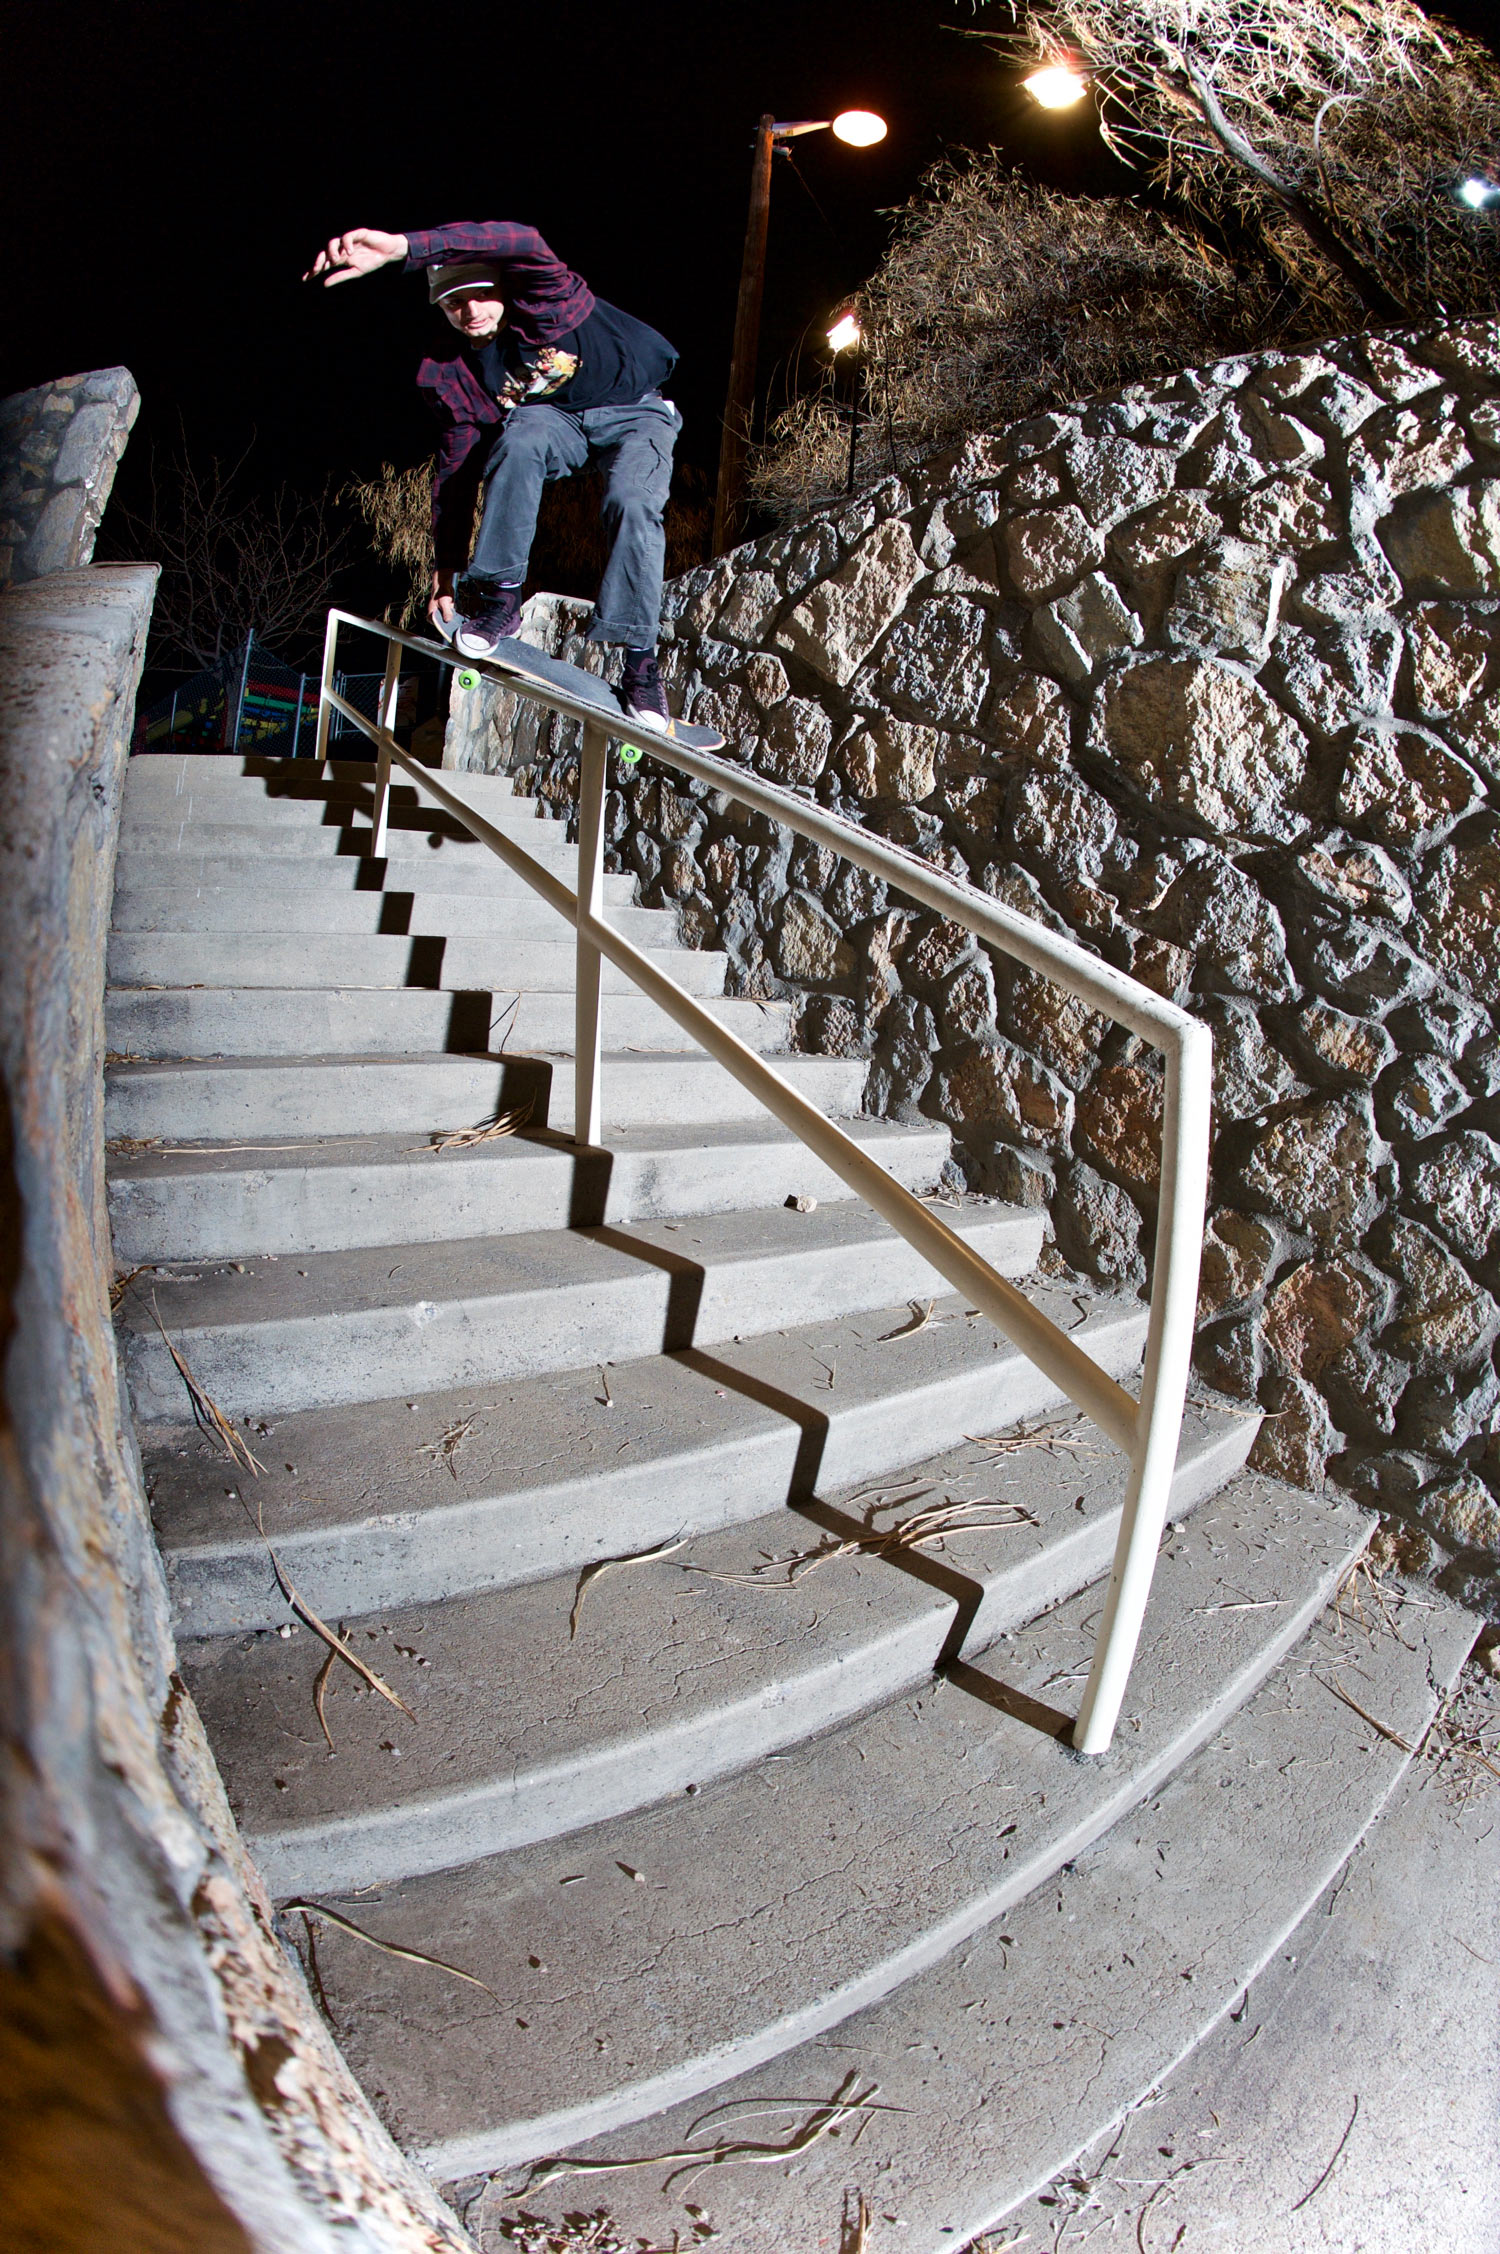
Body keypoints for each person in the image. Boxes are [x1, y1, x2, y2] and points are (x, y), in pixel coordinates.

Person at [304, 220, 681, 724]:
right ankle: (501, 601)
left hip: (634, 411)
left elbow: (522, 239)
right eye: (455, 303)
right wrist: (445, 572)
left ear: (505, 289)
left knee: (632, 501)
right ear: (440, 308)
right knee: (519, 438)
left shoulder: (547, 304)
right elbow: (456, 473)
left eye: (483, 295)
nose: (472, 311)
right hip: (556, 422)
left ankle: (640, 663)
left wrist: (402, 248)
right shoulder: (455, 373)